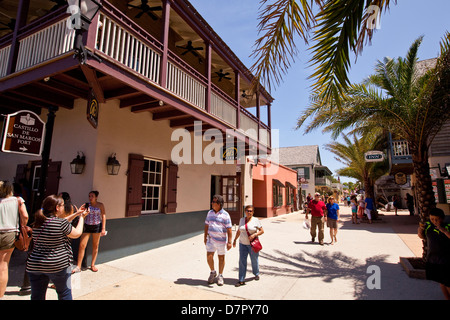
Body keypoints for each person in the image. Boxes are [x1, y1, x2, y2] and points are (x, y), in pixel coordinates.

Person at [26, 195, 88, 300]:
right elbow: (77, 233)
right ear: (57, 208)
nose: (64, 207)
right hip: (58, 264)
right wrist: (81, 218)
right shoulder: (61, 223)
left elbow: (62, 222)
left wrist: (77, 213)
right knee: (64, 293)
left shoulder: (37, 222)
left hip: (35, 264)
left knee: (37, 296)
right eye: (63, 205)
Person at [0, 181, 29, 299]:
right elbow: (25, 216)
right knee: (3, 265)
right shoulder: (17, 200)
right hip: (9, 233)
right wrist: (22, 224)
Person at [418, 208, 450, 300]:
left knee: (448, 281)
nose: (434, 221)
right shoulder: (428, 226)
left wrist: (443, 230)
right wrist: (420, 230)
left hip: (446, 258)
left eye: (436, 219)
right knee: (441, 281)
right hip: (434, 258)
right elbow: (422, 236)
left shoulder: (447, 226)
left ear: (442, 218)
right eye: (432, 219)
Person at [73, 191, 106, 273]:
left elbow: (103, 215)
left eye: (92, 196)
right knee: (82, 245)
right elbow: (82, 214)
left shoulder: (100, 205)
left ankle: (92, 265)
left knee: (95, 245)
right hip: (87, 225)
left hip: (97, 226)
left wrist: (103, 228)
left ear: (96, 197)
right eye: (89, 196)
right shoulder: (87, 205)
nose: (90, 198)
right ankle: (78, 266)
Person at [232, 205, 264, 287]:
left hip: (252, 245)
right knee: (242, 262)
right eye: (247, 210)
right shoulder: (242, 220)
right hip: (242, 244)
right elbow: (239, 231)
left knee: (254, 260)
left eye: (250, 211)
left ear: (253, 212)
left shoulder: (255, 220)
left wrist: (255, 235)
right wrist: (235, 239)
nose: (249, 212)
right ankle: (241, 279)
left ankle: (256, 273)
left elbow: (262, 231)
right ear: (245, 211)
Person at [204, 195, 232, 286]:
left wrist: (230, 242)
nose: (211, 203)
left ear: (219, 204)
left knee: (221, 258)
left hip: (221, 241)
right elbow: (206, 225)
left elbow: (229, 229)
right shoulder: (209, 213)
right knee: (209, 256)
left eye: (213, 202)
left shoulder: (226, 215)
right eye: (212, 201)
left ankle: (220, 275)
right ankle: (213, 272)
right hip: (211, 239)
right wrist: (205, 237)